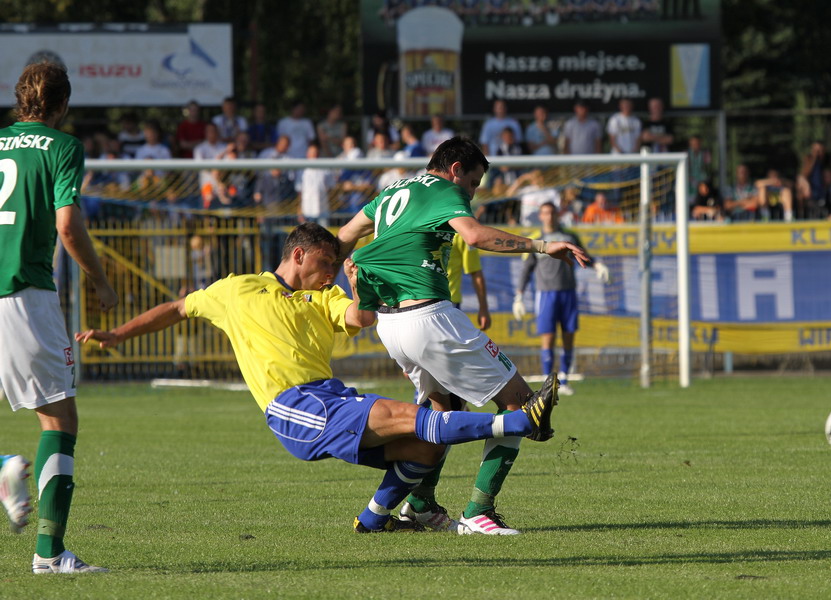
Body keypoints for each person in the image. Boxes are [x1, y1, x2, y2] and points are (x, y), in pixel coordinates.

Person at [75, 224, 556, 534]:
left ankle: (372, 522)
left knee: (425, 446)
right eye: (326, 265)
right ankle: (518, 423)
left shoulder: (322, 298)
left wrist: (354, 280)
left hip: (328, 398)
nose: (328, 276)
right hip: (291, 405)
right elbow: (178, 308)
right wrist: (118, 334)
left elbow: (360, 317)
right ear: (299, 255)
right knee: (409, 415)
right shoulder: (237, 289)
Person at [338, 136, 589, 535]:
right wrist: (541, 245)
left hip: (389, 323)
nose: (470, 194)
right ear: (455, 169)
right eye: (472, 184)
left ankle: (417, 504)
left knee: (441, 411)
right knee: (520, 403)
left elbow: (344, 235)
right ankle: (479, 512)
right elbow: (473, 236)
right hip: (428, 317)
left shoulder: (391, 192)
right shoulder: (442, 189)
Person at [0, 61, 118, 574]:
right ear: (63, 104)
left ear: (19, 98)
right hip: (23, 292)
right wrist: (100, 279)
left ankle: (3, 469)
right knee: (59, 417)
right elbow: (68, 226)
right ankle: (49, 553)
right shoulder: (63, 147)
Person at [513, 202, 608, 396]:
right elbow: (527, 269)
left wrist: (597, 265)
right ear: (540, 216)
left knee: (568, 336)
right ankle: (549, 383)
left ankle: (564, 380)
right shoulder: (537, 240)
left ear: (557, 215)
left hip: (568, 292)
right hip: (546, 293)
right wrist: (519, 296)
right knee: (547, 337)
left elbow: (584, 256)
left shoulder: (569, 237)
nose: (549, 216)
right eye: (545, 213)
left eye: (552, 213)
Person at [297, 141, 335, 227]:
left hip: (323, 209)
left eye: (315, 153)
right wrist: (299, 210)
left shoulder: (325, 169)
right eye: (311, 153)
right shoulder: (302, 171)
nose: (313, 155)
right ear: (307, 154)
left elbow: (331, 187)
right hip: (307, 209)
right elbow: (299, 191)